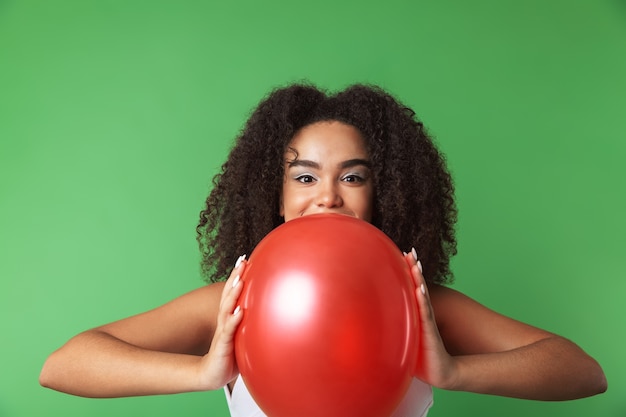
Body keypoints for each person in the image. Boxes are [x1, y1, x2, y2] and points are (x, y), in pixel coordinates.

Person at [39, 84, 607, 416]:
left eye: (353, 178)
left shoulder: (419, 303)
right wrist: (203, 371)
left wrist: (455, 370)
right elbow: (62, 365)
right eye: (305, 179)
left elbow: (584, 371)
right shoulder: (236, 302)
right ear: (277, 197)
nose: (328, 198)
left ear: (385, 195)